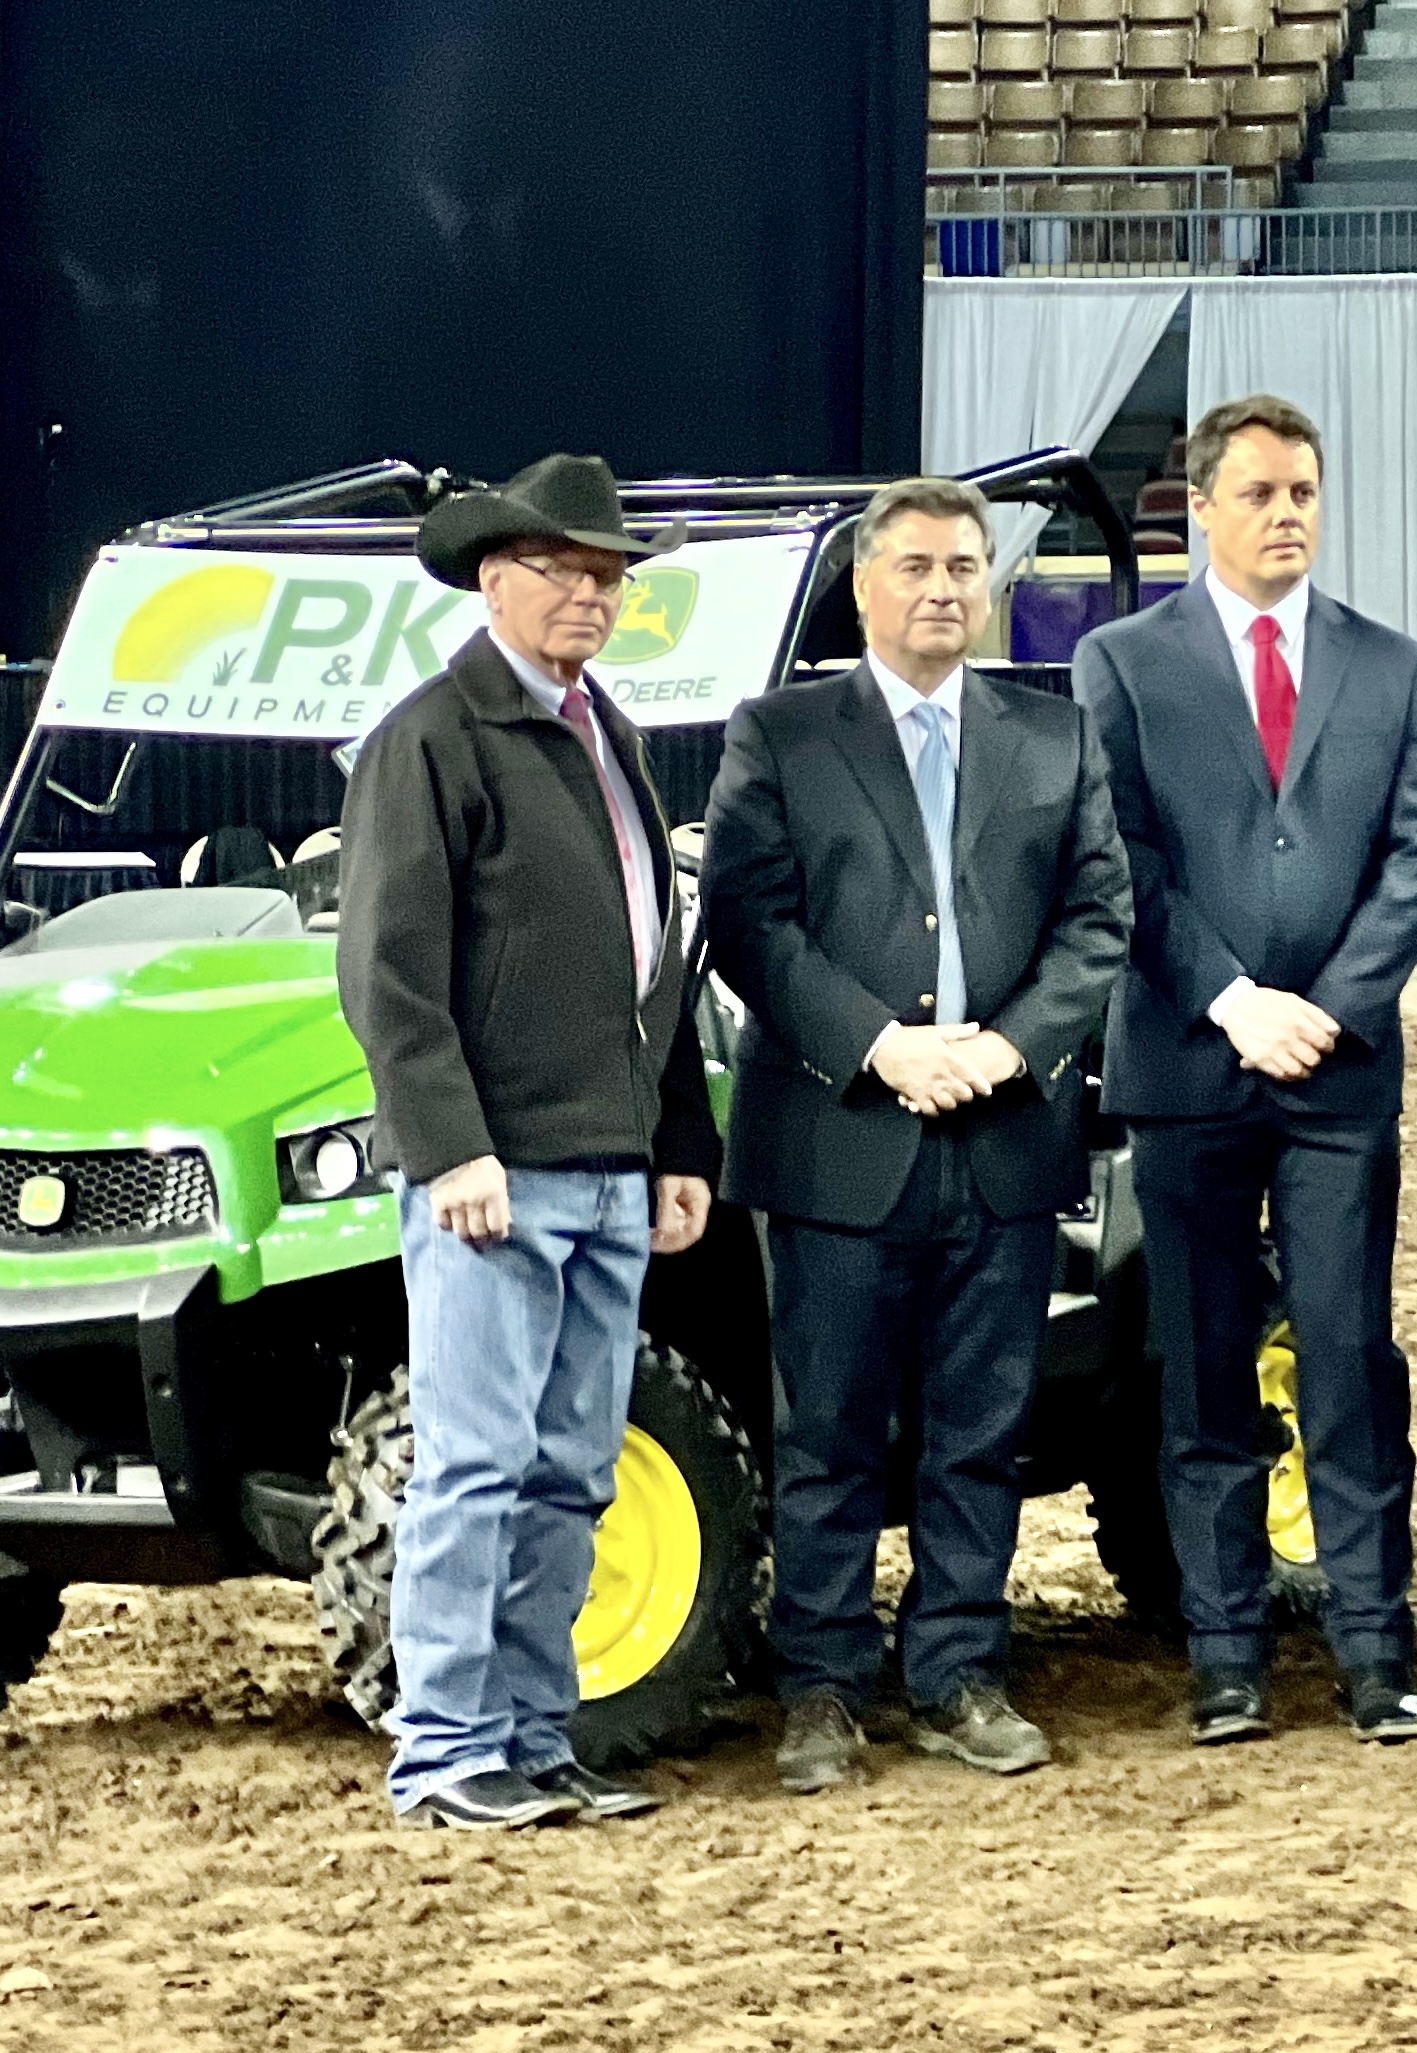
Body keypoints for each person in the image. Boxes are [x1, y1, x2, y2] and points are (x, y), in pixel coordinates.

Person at [702, 477, 1131, 1795]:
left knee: (977, 1428)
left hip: (1003, 1141)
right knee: (827, 1429)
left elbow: (1099, 916)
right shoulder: (778, 734)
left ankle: (956, 1671)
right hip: (838, 1138)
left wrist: (1007, 1047)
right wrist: (883, 1044)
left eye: (964, 565)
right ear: (863, 586)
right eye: (916, 566)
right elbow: (748, 922)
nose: (944, 586)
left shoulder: (1054, 736)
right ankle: (821, 1688)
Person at [333, 455, 719, 1831]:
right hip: (498, 1176)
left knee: (570, 1467)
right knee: (476, 1463)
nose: (591, 594)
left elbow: (654, 963)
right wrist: (449, 1149)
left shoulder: (607, 731)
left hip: (609, 1173)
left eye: (609, 575)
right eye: (563, 568)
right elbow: (387, 971)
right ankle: (445, 1749)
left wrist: (680, 1138)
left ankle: (536, 1736)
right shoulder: (430, 737)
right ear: (493, 576)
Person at [1075, 395, 1417, 1746]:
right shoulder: (1120, 663)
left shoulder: (1393, 664)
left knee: (1348, 1357)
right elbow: (1120, 856)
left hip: (1340, 1083)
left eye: (1304, 490)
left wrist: (1331, 1008)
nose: (1289, 511)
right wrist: (1237, 1001)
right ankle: (1226, 1653)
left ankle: (1375, 1650)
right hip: (1189, 1066)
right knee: (1201, 1365)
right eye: (1261, 492)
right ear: (1201, 507)